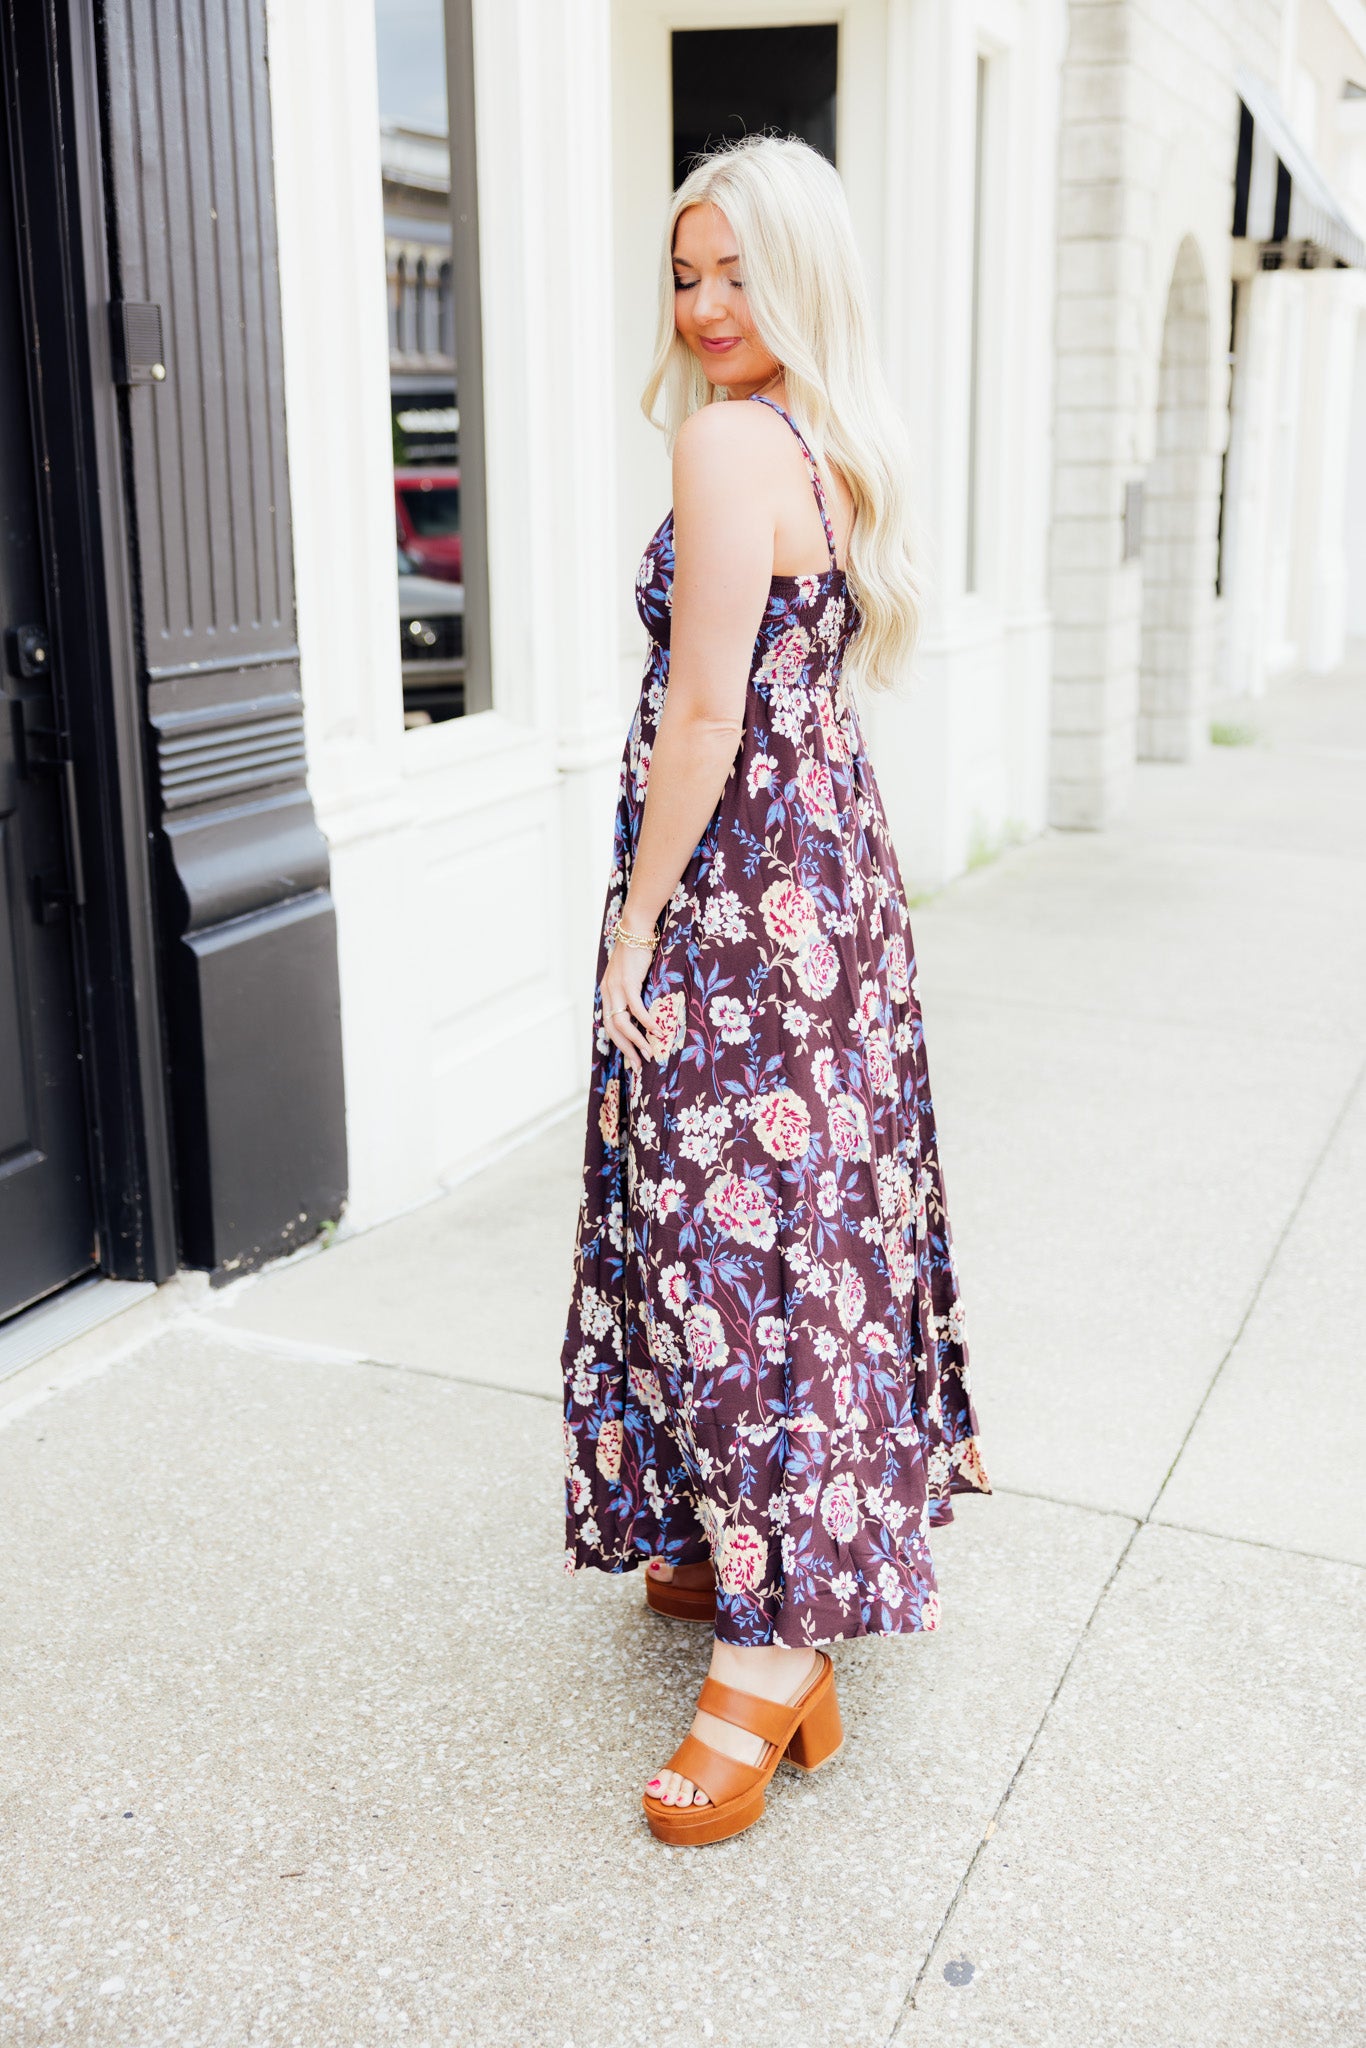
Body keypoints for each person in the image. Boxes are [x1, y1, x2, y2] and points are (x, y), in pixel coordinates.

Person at [560, 134, 990, 1848]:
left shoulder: (731, 439)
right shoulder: (825, 440)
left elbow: (704, 712)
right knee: (805, 1210)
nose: (706, 305)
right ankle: (735, 1533)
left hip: (741, 891)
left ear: (802, 275)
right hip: (826, 882)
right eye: (685, 274)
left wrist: (635, 920)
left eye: (738, 272)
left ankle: (777, 1640)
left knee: (730, 1227)